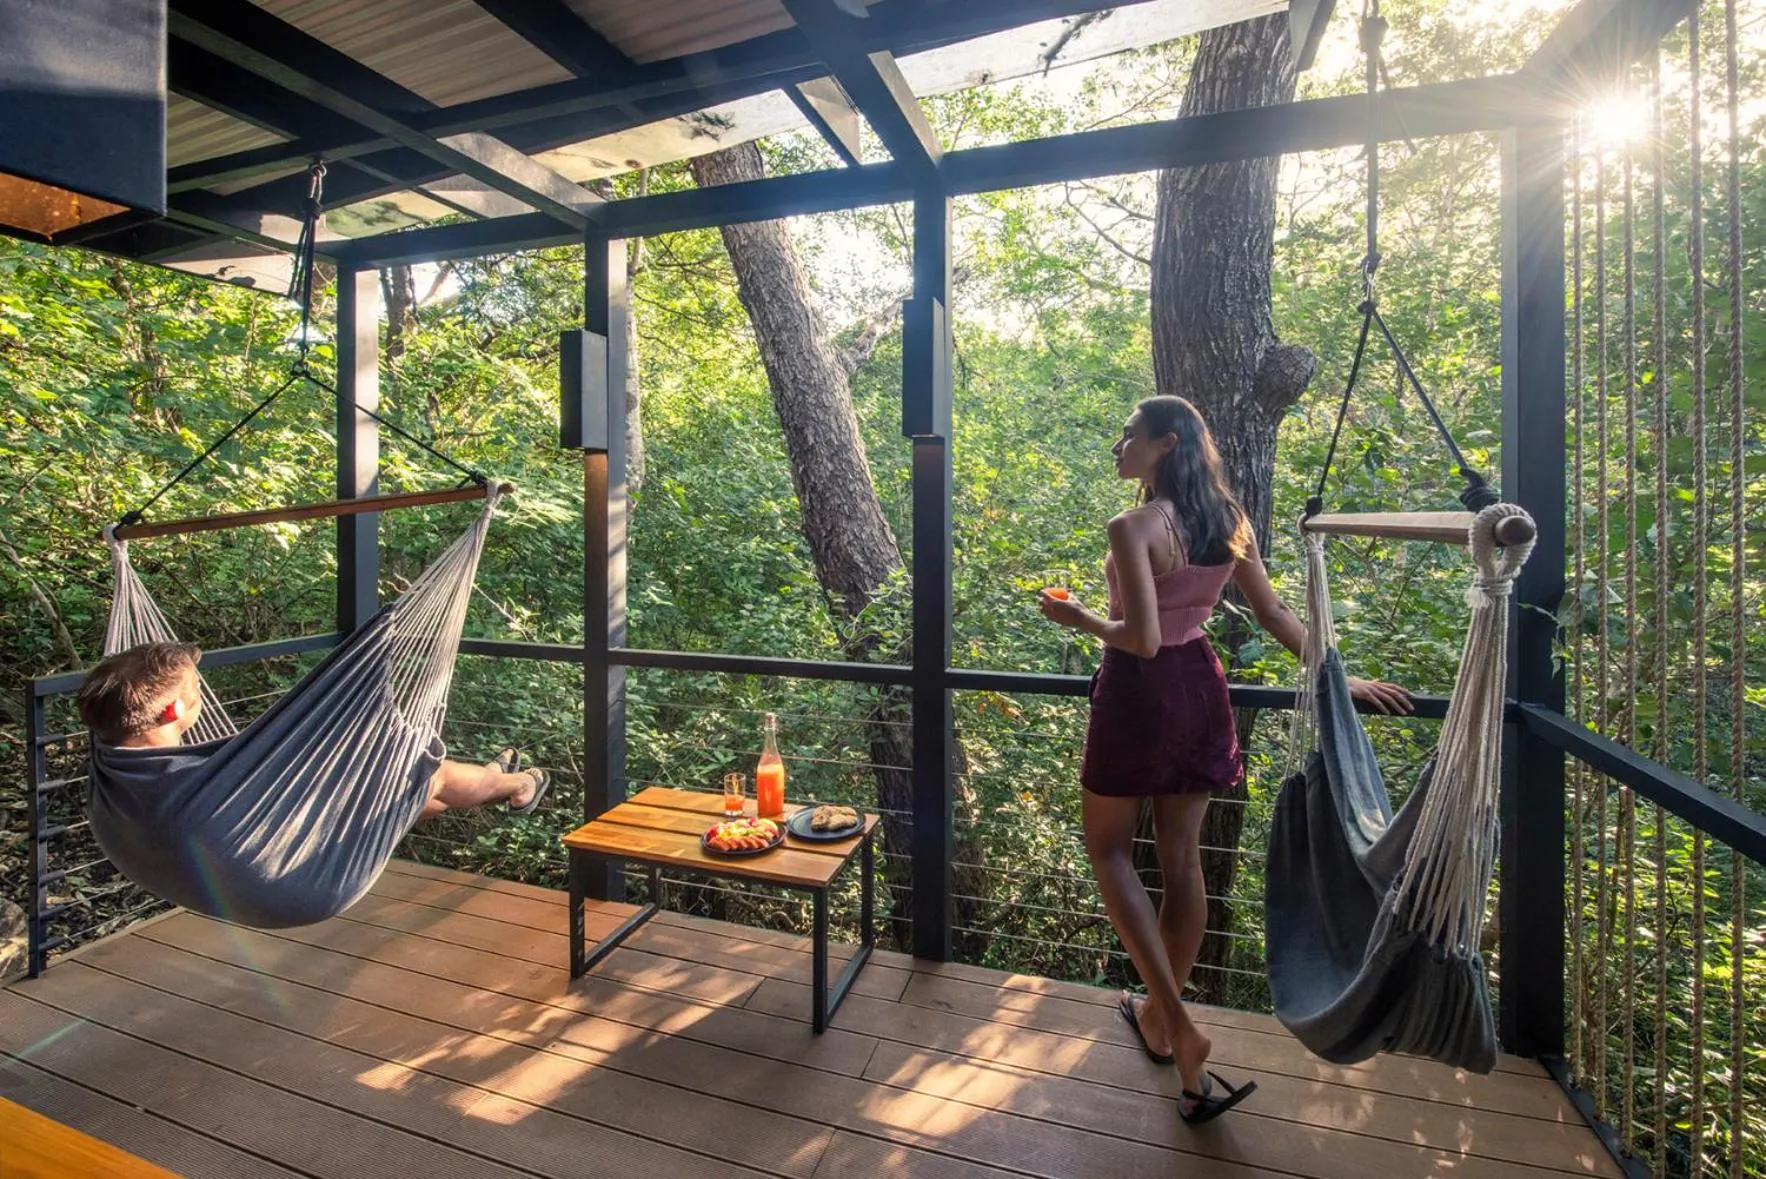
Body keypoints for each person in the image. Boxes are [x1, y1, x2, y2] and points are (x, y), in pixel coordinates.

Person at [1037, 395, 1412, 1123]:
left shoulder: (1133, 527)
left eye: (1129, 434)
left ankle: (1177, 1023)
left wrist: (1075, 615)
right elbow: (1273, 612)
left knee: (1110, 852)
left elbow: (1139, 640)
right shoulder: (1227, 520)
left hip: (1139, 695)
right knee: (1182, 863)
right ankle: (1157, 1016)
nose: (1118, 445)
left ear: (1165, 443)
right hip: (1201, 690)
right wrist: (1341, 675)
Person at [76, 641, 549, 820]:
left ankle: (491, 779)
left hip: (243, 841)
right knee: (429, 775)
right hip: (279, 877)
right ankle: (519, 783)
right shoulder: (192, 780)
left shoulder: (115, 754)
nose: (201, 693)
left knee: (401, 796)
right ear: (176, 706)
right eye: (195, 686)